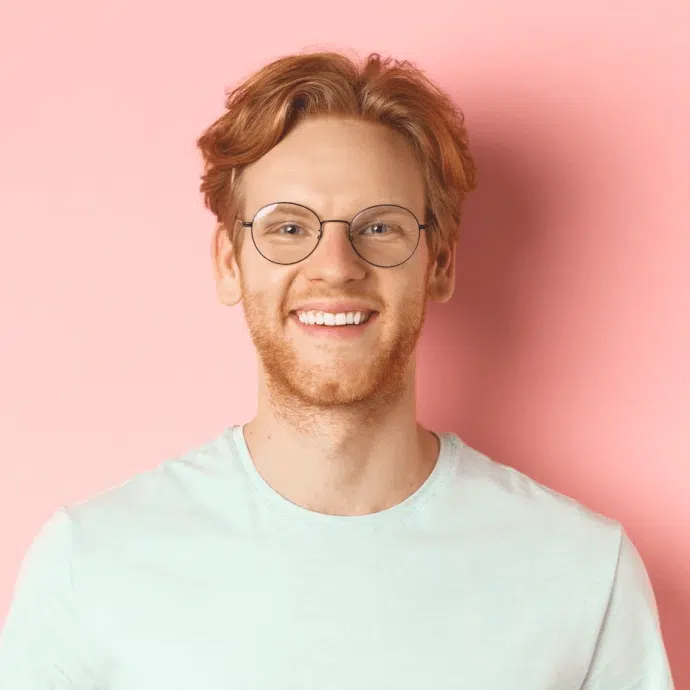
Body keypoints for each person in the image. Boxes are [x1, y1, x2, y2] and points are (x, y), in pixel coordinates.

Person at [0, 50, 675, 689]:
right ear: (230, 264)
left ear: (439, 263)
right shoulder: (90, 563)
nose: (335, 267)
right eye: (288, 227)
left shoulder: (581, 571)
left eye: (379, 227)